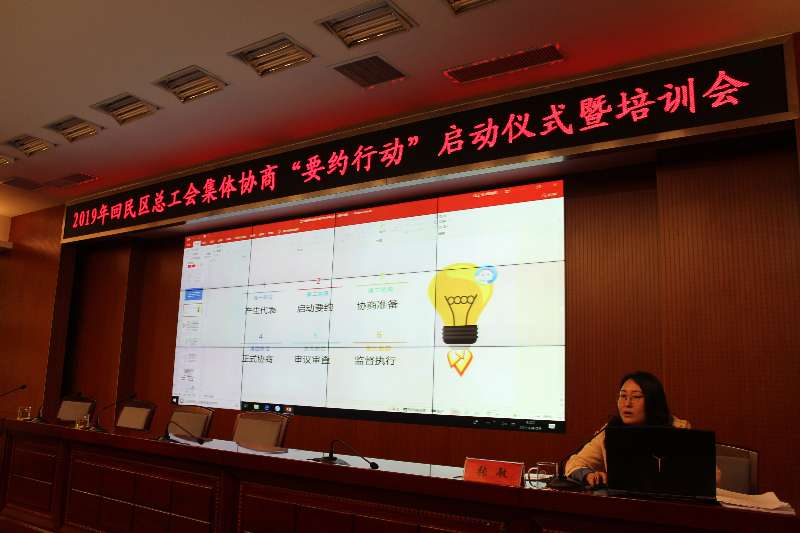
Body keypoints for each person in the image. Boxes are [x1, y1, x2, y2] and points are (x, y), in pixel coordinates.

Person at [565, 371, 691, 487]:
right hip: (622, 501)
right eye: (623, 396)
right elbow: (574, 463)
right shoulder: (610, 430)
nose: (627, 403)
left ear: (653, 401)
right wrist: (588, 475)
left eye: (636, 397)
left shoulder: (679, 430)